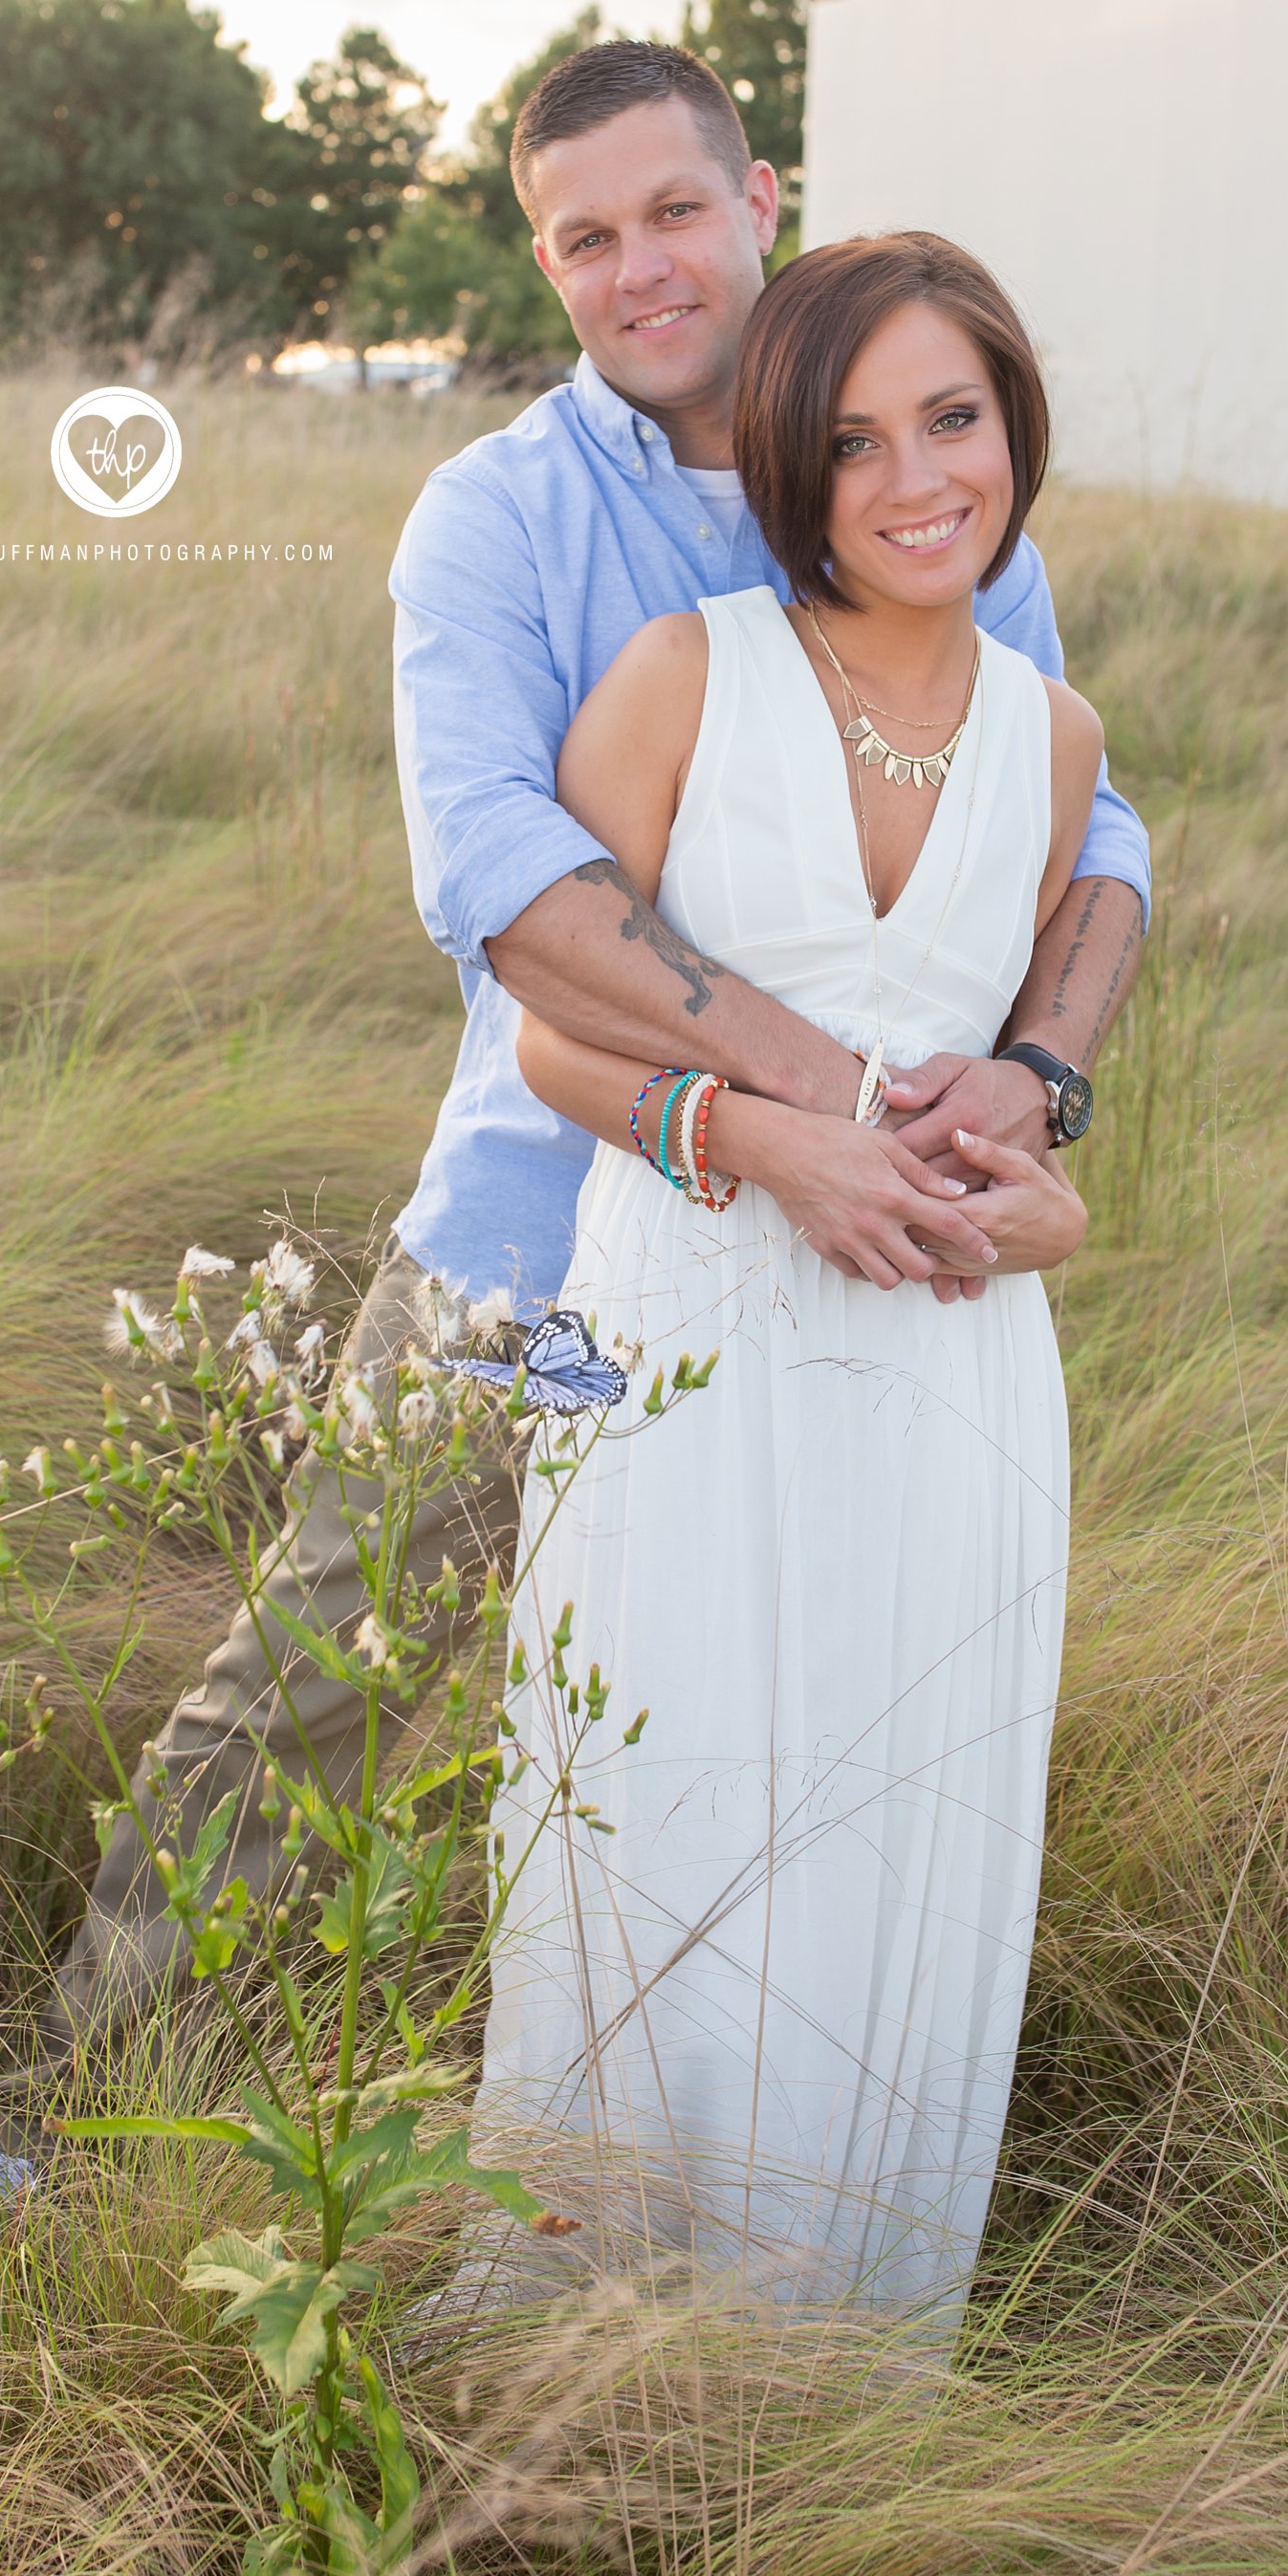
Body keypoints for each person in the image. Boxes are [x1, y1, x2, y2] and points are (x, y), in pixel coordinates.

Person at [48, 42, 1146, 2044]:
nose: (637, 267)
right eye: (582, 238)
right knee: (332, 1685)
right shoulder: (499, 521)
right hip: (545, 1269)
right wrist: (816, 1104)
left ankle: (725, 2161)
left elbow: (1087, 824)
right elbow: (507, 886)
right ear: (541, 261)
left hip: (863, 1285)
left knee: (782, 1722)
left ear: (759, 203)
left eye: (669, 212)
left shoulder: (918, 474)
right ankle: (72, 2120)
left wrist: (1040, 1074)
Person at [477, 229, 1093, 2311]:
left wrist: (1041, 1196)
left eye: (952, 417)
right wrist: (763, 1143)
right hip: (672, 1321)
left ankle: (830, 2372)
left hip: (952, 1377)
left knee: (900, 1825)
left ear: (1012, 424)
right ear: (782, 465)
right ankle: (588, 2353)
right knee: (656, 1797)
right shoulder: (682, 677)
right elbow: (553, 1032)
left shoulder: (1057, 741)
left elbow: (1021, 1105)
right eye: (849, 439)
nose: (915, 478)